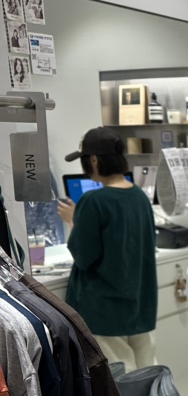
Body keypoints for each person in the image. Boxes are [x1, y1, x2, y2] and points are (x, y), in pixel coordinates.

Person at [57, 127, 158, 372]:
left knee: (118, 381)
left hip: (105, 310)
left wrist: (72, 221)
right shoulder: (139, 196)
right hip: (139, 304)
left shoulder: (94, 201)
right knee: (147, 375)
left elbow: (83, 256)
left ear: (93, 160)